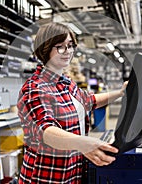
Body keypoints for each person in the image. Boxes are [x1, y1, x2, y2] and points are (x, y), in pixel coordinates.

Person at [17, 22, 128, 184]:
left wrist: (120, 93)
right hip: (47, 176)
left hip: (72, 171)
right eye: (60, 47)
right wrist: (85, 144)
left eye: (70, 45)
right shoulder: (34, 88)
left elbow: (89, 101)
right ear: (45, 48)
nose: (67, 51)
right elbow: (46, 132)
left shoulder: (67, 82)